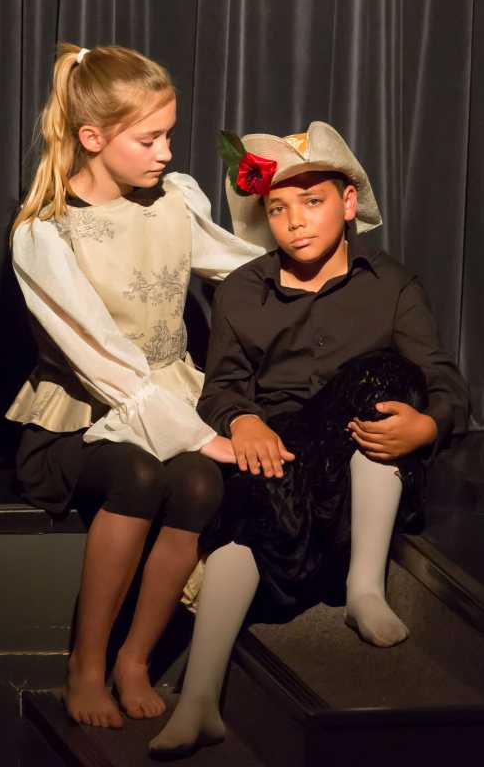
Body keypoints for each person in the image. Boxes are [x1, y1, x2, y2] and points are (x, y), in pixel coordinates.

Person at [149, 121, 469, 757]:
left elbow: (442, 379)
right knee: (251, 507)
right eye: (278, 209)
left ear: (348, 204)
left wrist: (429, 424)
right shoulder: (243, 290)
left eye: (312, 201)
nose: (295, 221)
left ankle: (364, 590)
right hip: (284, 464)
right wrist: (243, 420)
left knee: (384, 374)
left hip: (364, 468)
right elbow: (223, 388)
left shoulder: (392, 285)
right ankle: (200, 699)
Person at [6, 43, 267, 729]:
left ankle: (134, 659)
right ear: (92, 138)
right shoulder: (46, 232)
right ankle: (87, 664)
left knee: (200, 486)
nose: (165, 153)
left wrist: (312, 242)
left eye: (168, 136)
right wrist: (201, 436)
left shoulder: (174, 199)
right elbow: (102, 362)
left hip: (171, 397)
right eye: (148, 139)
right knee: (141, 475)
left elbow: (243, 270)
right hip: (80, 419)